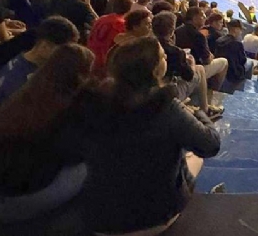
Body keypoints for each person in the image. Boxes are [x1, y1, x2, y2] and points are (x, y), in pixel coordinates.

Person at [65, 37, 221, 235]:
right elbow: (211, 145)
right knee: (193, 156)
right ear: (156, 70)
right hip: (151, 218)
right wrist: (199, 113)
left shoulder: (93, 99)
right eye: (163, 57)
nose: (166, 59)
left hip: (97, 215)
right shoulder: (165, 107)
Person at [0, 44, 94, 222]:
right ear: (79, 76)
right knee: (92, 162)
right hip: (13, 204)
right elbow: (75, 155)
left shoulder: (27, 93)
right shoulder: (65, 111)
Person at [0, 16, 80, 111]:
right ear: (45, 47)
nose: (67, 56)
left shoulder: (20, 61)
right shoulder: (22, 82)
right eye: (63, 51)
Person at [174, 6, 228, 91]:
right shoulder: (198, 36)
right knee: (224, 62)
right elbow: (206, 60)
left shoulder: (177, 30)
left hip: (179, 68)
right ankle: (213, 91)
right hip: (194, 68)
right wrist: (210, 56)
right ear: (195, 19)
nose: (205, 18)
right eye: (202, 16)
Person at [87, 0, 133, 76]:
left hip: (91, 56)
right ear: (129, 9)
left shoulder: (102, 18)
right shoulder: (121, 24)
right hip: (104, 63)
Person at [214, 19, 254, 86]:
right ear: (235, 29)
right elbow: (243, 60)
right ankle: (243, 85)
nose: (241, 32)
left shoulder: (219, 40)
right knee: (250, 63)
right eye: (240, 30)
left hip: (221, 69)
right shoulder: (237, 44)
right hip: (233, 72)